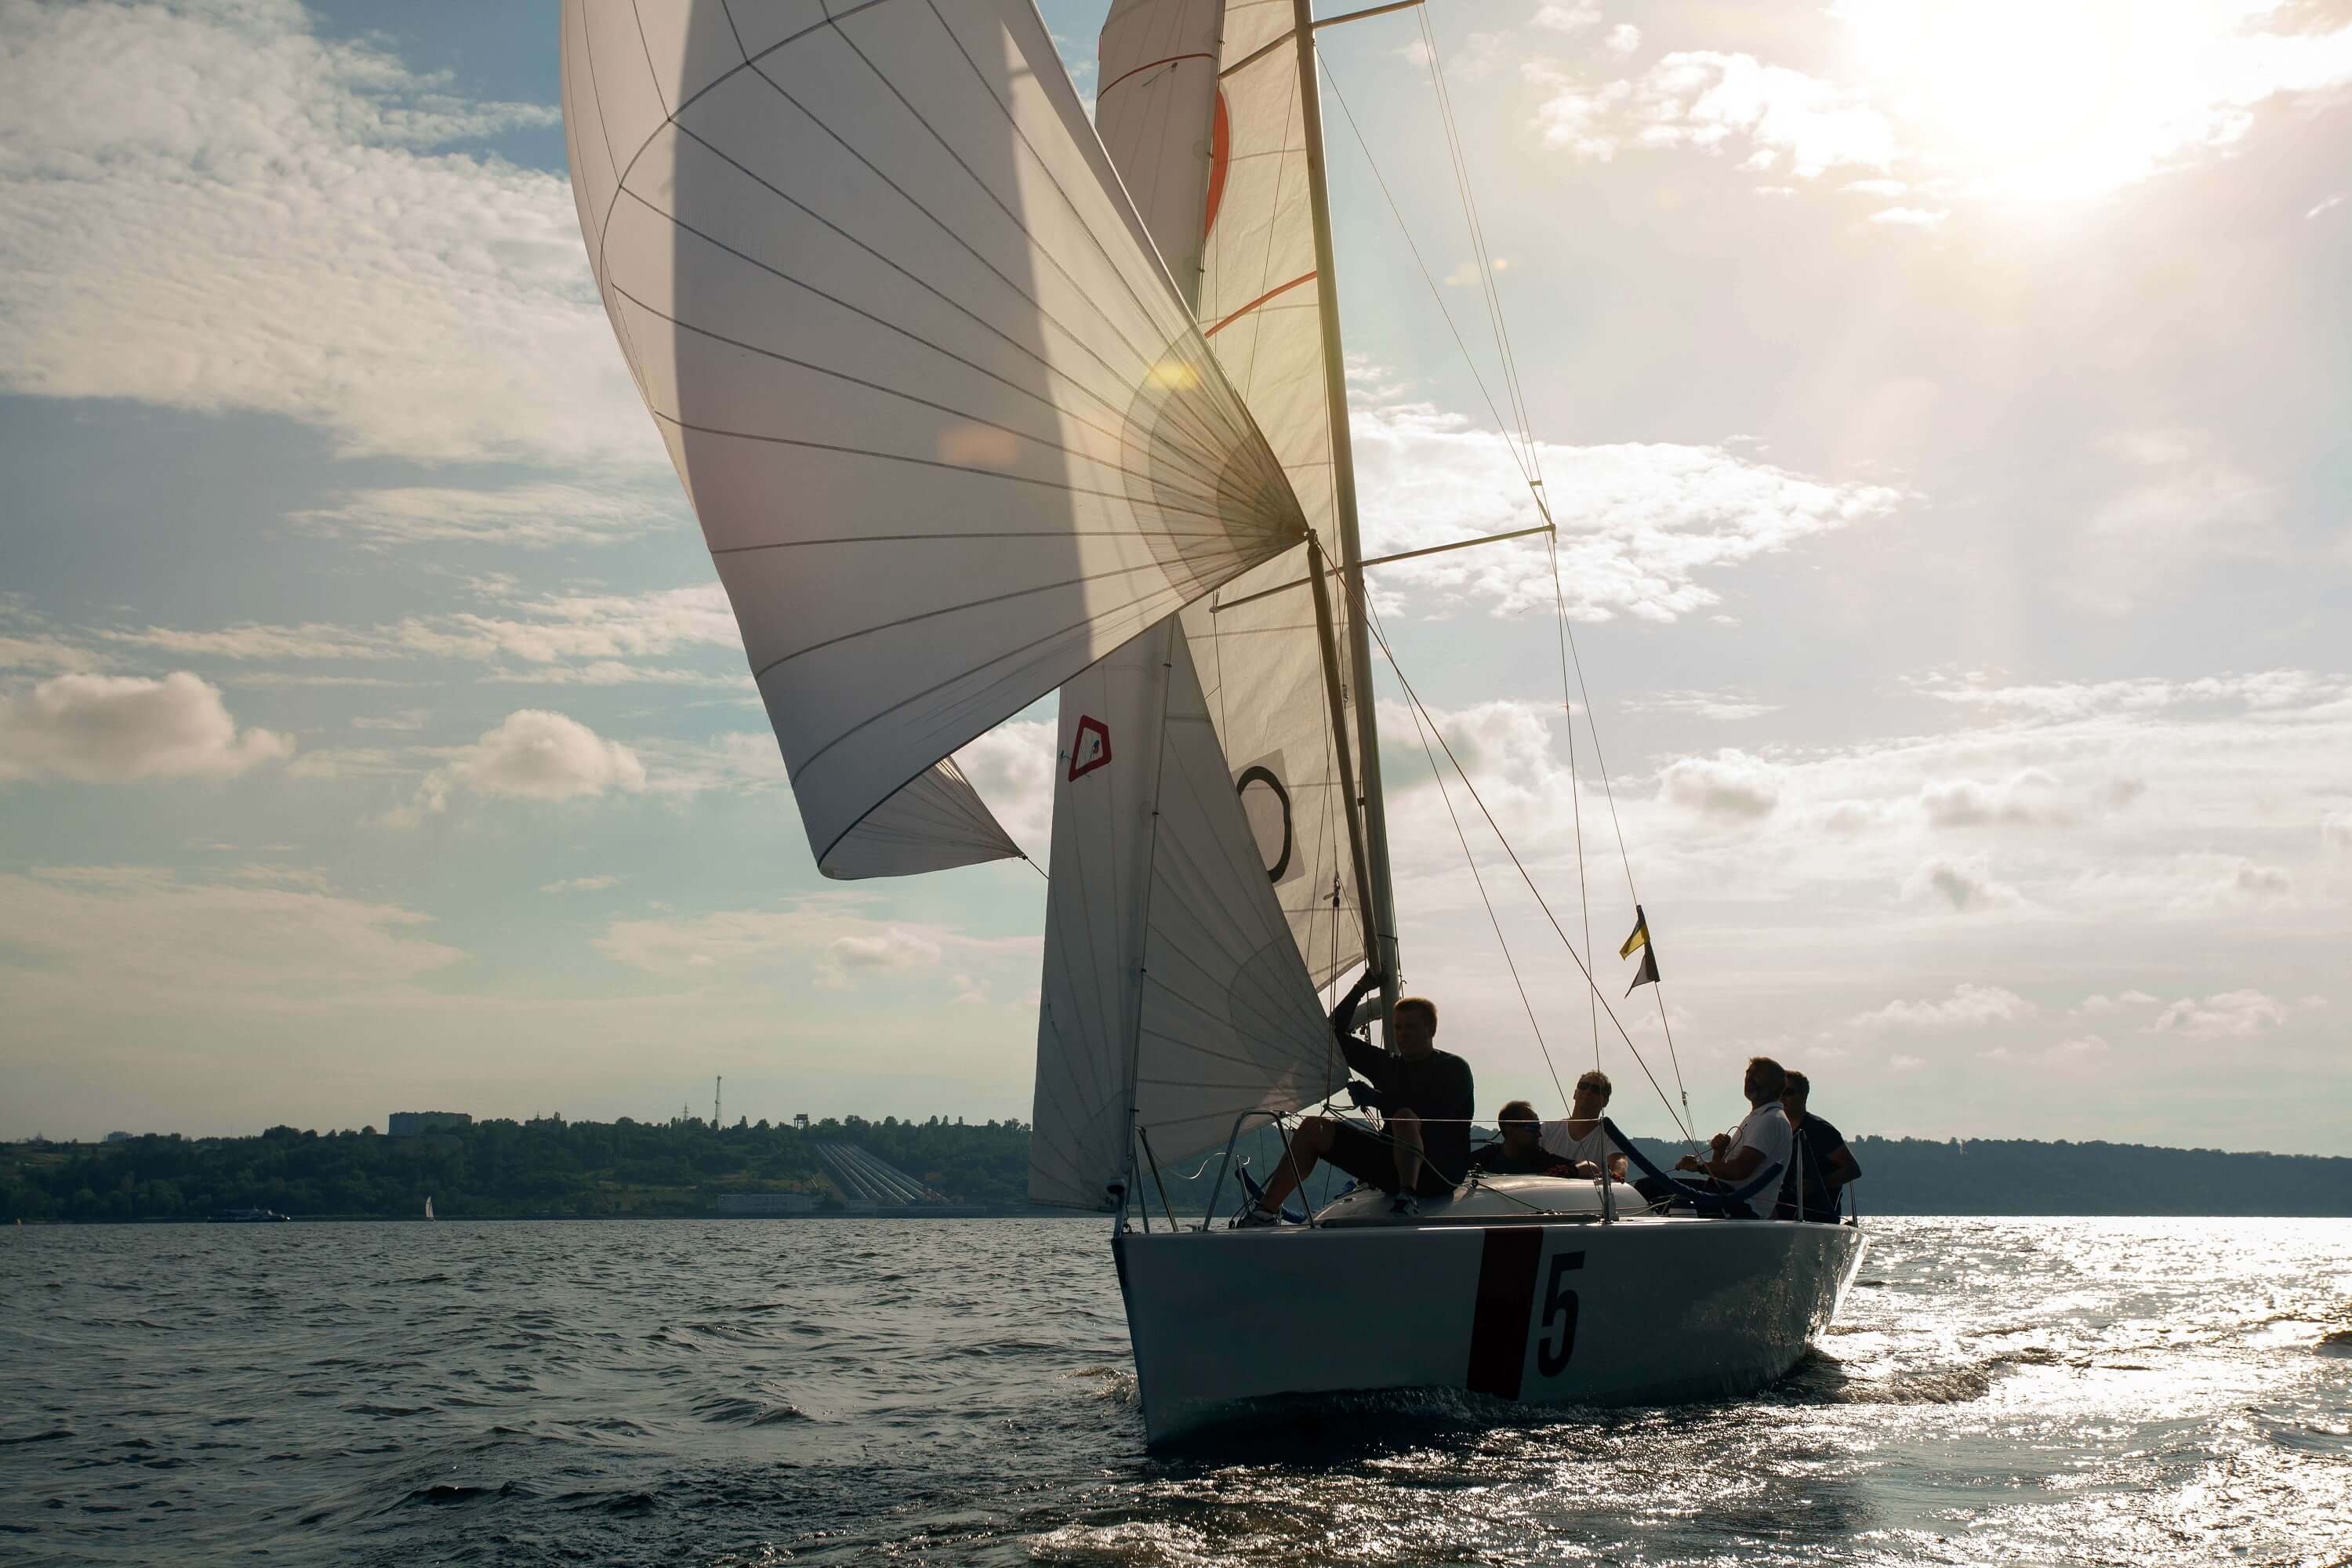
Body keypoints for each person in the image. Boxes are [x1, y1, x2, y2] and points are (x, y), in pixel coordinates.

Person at [1233, 971, 1473, 1224]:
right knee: (1314, 1128)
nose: (1402, 1034)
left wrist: (1376, 1099)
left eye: (1411, 1027)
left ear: (1431, 1029)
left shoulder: (1454, 1069)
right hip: (1390, 1166)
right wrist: (1360, 987)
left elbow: (1431, 1112)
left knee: (1404, 1118)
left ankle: (1408, 1196)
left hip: (1439, 1172)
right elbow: (1333, 1034)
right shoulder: (1388, 1066)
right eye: (1398, 1027)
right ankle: (1264, 1213)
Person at [1635, 1056, 1794, 1218]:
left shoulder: (1771, 1120)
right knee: (1647, 1187)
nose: (1750, 1079)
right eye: (1748, 1073)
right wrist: (1720, 1151)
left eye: (1758, 1074)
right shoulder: (1758, 1117)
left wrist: (1698, 1166)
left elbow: (1740, 1171)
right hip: (1725, 1196)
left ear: (1776, 1085)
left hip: (1742, 1205)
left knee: (1649, 1189)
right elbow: (1725, 1171)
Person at [1776, 1070, 1860, 1222]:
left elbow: (1853, 1169)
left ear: (1803, 1096)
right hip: (1782, 1213)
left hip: (1817, 1216)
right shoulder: (1779, 1130)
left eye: (1788, 1092)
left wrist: (1817, 1185)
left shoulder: (1821, 1130)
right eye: (1779, 1093)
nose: (1782, 1098)